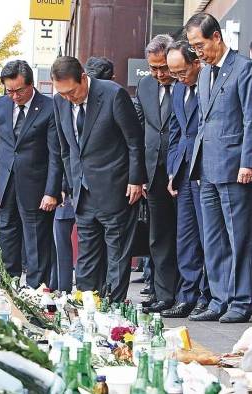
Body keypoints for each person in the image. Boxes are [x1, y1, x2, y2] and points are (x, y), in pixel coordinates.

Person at [51, 56, 146, 301]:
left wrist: (136, 179)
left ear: (83, 78)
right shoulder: (60, 102)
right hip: (82, 191)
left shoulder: (113, 94)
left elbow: (134, 141)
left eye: (72, 91)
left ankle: (113, 309)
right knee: (86, 254)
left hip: (115, 187)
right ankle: (86, 305)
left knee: (117, 253)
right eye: (62, 94)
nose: (68, 98)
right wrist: (66, 184)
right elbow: (65, 148)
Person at [186, 13, 252, 323]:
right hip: (206, 166)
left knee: (238, 238)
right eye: (192, 46)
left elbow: (250, 119)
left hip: (233, 166)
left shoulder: (242, 68)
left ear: (216, 37)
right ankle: (219, 299)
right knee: (212, 238)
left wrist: (247, 162)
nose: (197, 51)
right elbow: (203, 121)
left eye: (199, 45)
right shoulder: (202, 74)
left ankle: (241, 302)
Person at [0, 60, 59, 288]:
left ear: (31, 85)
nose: (14, 96)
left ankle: (36, 290)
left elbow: (55, 153)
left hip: (36, 188)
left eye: (19, 90)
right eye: (9, 91)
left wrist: (51, 191)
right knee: (7, 237)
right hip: (5, 185)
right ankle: (8, 286)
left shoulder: (49, 107)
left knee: (36, 241)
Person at [163, 40, 210, 318]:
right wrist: (172, 171)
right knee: (186, 238)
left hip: (205, 170)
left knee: (208, 238)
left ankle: (207, 295)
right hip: (183, 172)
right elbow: (175, 132)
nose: (178, 78)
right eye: (174, 73)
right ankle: (187, 295)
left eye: (182, 72)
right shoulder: (179, 88)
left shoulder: (208, 85)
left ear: (196, 63)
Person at [134, 34, 178, 314]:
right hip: (153, 172)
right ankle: (163, 294)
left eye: (163, 67)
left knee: (185, 235)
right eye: (154, 68)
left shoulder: (187, 83)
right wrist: (139, 175)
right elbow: (138, 132)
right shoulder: (145, 86)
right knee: (158, 235)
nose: (160, 74)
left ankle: (187, 293)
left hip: (181, 170)